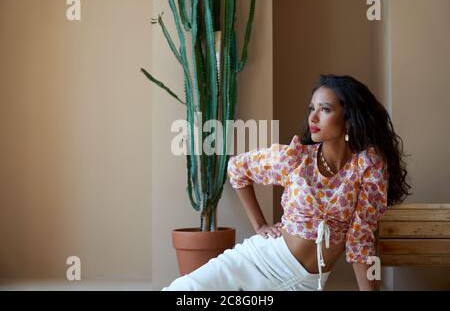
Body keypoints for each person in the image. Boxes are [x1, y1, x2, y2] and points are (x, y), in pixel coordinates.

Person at [162, 74, 411, 291]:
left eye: (324, 109)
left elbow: (361, 242)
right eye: (311, 109)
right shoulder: (295, 159)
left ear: (348, 117)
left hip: (306, 284)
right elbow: (237, 168)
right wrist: (259, 225)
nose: (313, 117)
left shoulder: (367, 166)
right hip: (258, 262)